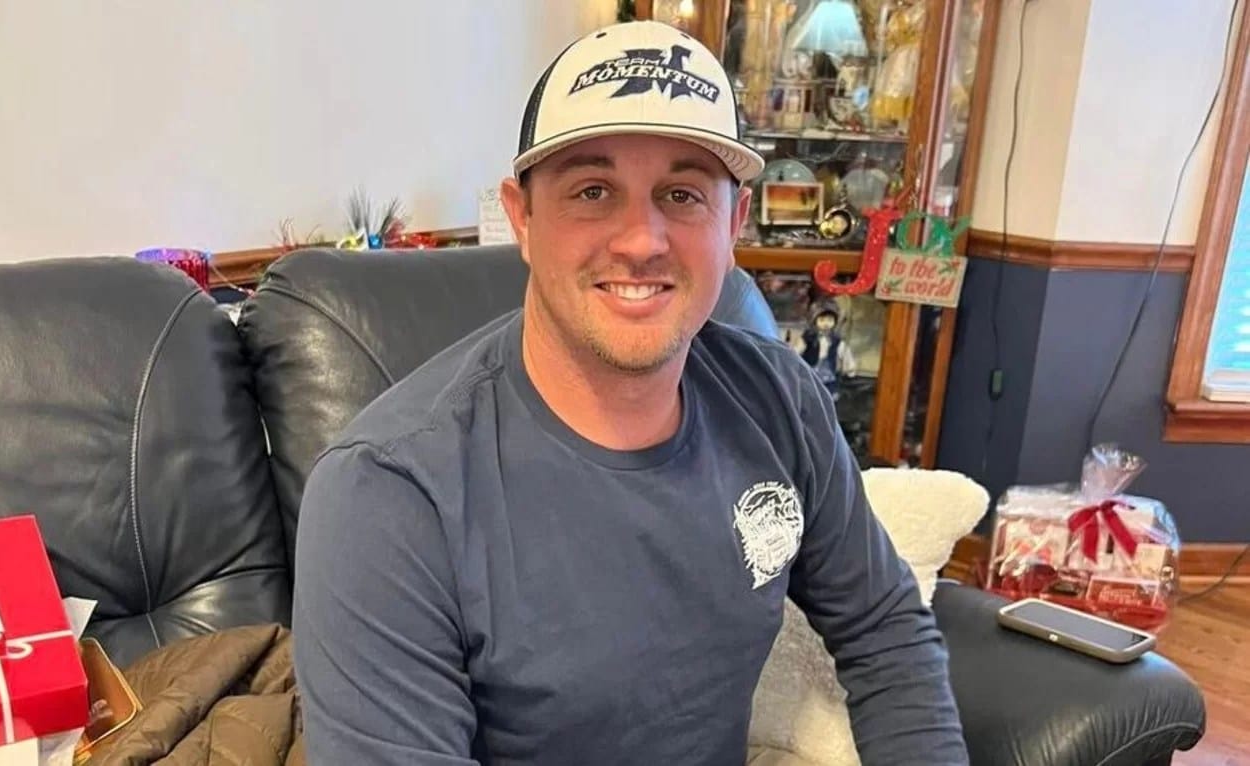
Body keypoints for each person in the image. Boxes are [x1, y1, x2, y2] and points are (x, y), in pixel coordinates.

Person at [292, 20, 966, 766]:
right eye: (592, 191)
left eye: (682, 194)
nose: (641, 240)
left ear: (735, 224)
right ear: (522, 218)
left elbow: (885, 633)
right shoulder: (387, 493)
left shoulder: (778, 399)